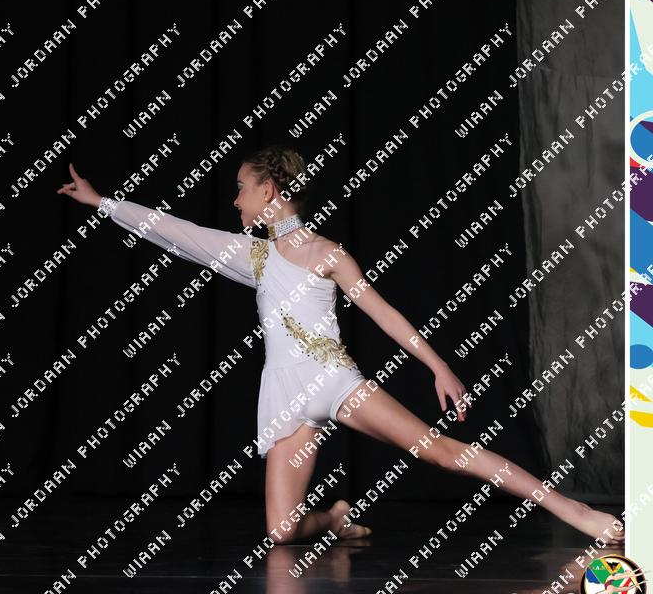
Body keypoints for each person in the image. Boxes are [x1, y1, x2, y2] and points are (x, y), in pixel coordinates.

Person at [56, 145, 625, 547]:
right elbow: (174, 231)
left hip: (335, 382)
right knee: (280, 533)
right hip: (285, 399)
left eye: (241, 188)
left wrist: (438, 366)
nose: (235, 201)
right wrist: (102, 203)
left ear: (269, 190)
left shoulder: (329, 254)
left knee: (440, 452)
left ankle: (571, 508)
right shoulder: (253, 256)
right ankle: (332, 519)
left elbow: (385, 314)